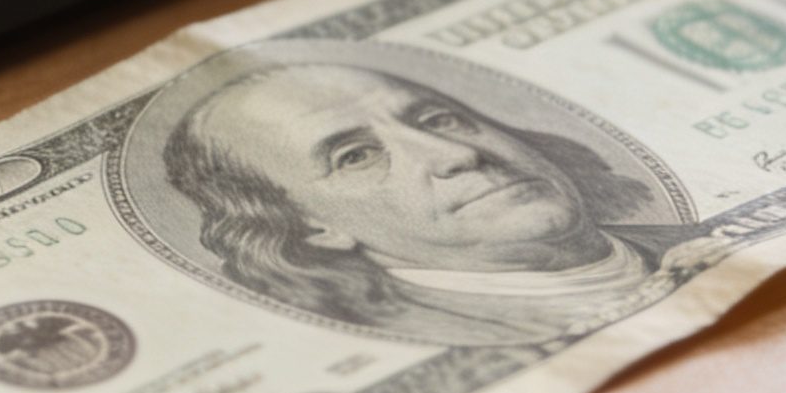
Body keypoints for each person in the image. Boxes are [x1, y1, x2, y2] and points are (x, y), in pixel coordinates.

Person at [161, 62, 662, 345]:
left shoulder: (703, 244)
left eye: (437, 120)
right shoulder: (432, 339)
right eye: (355, 156)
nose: (458, 155)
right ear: (311, 226)